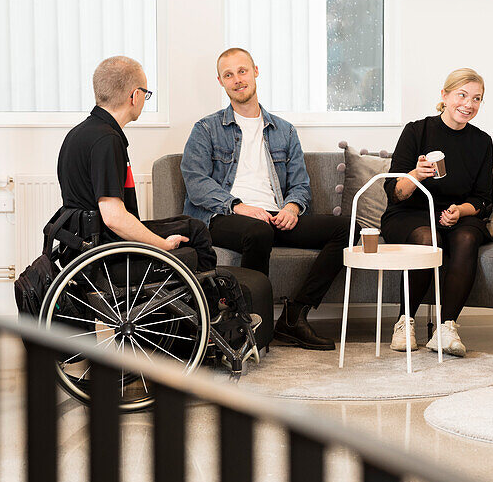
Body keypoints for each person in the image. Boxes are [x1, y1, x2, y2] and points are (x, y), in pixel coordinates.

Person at [57, 55, 275, 345]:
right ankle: (210, 321)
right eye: (145, 93)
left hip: (89, 245)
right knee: (194, 235)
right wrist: (161, 245)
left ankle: (207, 315)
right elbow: (113, 216)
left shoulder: (80, 133)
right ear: (134, 96)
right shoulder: (106, 140)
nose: (144, 100)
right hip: (108, 254)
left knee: (192, 225)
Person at [181, 48, 349, 351]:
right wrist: (238, 206)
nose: (237, 79)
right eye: (228, 75)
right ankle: (249, 323)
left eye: (242, 71)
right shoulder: (206, 129)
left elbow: (300, 184)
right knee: (258, 232)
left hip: (273, 215)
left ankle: (295, 317)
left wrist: (292, 207)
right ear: (220, 81)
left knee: (347, 228)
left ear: (255, 71)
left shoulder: (284, 130)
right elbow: (196, 183)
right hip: (222, 217)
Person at [382, 68, 493, 357]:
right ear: (444, 96)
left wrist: (460, 211)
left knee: (468, 237)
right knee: (428, 237)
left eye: (477, 98)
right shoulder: (417, 131)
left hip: (454, 215)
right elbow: (395, 192)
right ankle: (404, 322)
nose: (469, 104)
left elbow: (482, 198)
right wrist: (416, 175)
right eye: (462, 95)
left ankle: (446, 327)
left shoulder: (482, 142)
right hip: (410, 214)